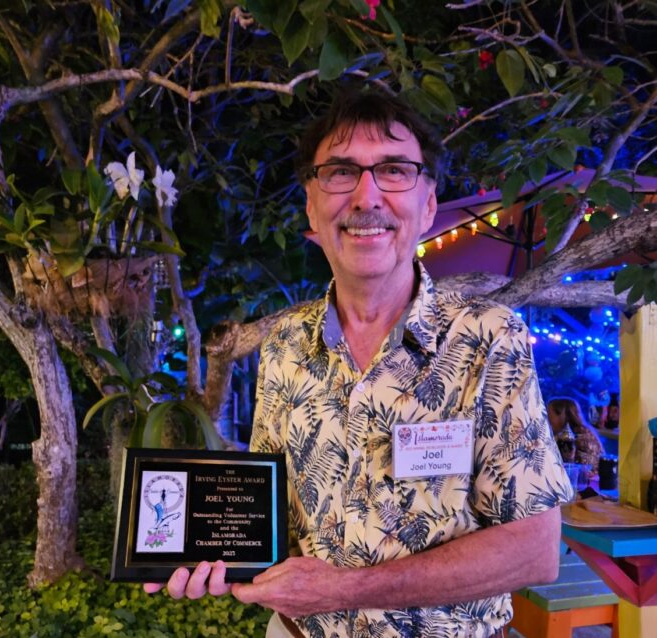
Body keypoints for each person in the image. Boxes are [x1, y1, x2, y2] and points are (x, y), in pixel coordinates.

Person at [146, 88, 574, 637]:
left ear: (427, 204)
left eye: (394, 170)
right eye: (341, 172)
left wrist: (344, 589)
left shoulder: (487, 338)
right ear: (310, 206)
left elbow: (535, 552)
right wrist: (200, 550)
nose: (366, 195)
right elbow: (268, 519)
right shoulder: (283, 346)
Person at [547, 397, 604, 476]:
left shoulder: (573, 438)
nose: (546, 418)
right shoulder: (583, 431)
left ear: (562, 415)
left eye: (549, 414)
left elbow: (565, 467)